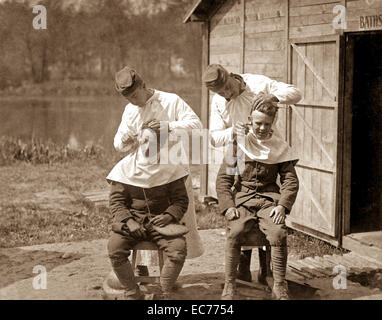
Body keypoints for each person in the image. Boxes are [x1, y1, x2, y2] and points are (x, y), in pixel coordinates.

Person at [106, 66, 204, 299]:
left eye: (134, 96)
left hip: (172, 168)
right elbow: (119, 144)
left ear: (142, 85)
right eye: (128, 98)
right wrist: (126, 139)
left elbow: (196, 126)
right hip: (140, 168)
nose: (133, 101)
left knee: (179, 219)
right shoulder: (131, 110)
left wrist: (169, 126)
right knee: (137, 210)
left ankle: (166, 279)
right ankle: (139, 277)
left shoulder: (170, 101)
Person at [202, 64, 302, 283]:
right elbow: (214, 137)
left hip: (271, 150)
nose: (226, 94)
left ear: (231, 76)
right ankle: (243, 271)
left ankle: (268, 272)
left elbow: (296, 93)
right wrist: (233, 131)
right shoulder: (219, 101)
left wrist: (272, 96)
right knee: (243, 209)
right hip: (241, 149)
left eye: (227, 87)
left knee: (270, 213)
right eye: (220, 92)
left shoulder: (257, 83)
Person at [216, 101, 299, 300]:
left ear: (273, 123)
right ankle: (230, 284)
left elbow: (290, 180)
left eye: (267, 124)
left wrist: (282, 206)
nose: (262, 128)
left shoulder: (279, 147)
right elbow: (224, 179)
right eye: (258, 123)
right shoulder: (239, 144)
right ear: (250, 121)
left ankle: (279, 285)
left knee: (278, 232)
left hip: (269, 200)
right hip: (243, 199)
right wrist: (228, 206)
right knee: (235, 231)